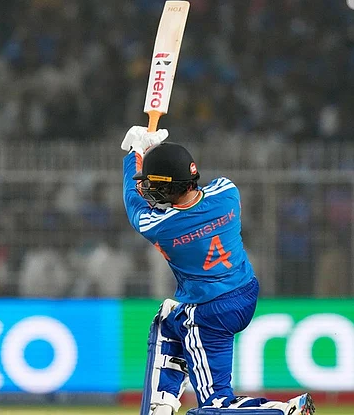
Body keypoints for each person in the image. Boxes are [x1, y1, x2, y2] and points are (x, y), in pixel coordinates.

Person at [121, 126, 315, 415]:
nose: (147, 187)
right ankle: (160, 404)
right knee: (168, 321)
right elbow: (180, 193)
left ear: (166, 188)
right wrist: (153, 158)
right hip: (244, 292)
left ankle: (284, 412)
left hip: (209, 311)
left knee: (214, 406)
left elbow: (133, 201)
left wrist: (134, 155)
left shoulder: (160, 226)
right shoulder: (227, 192)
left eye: (152, 183)